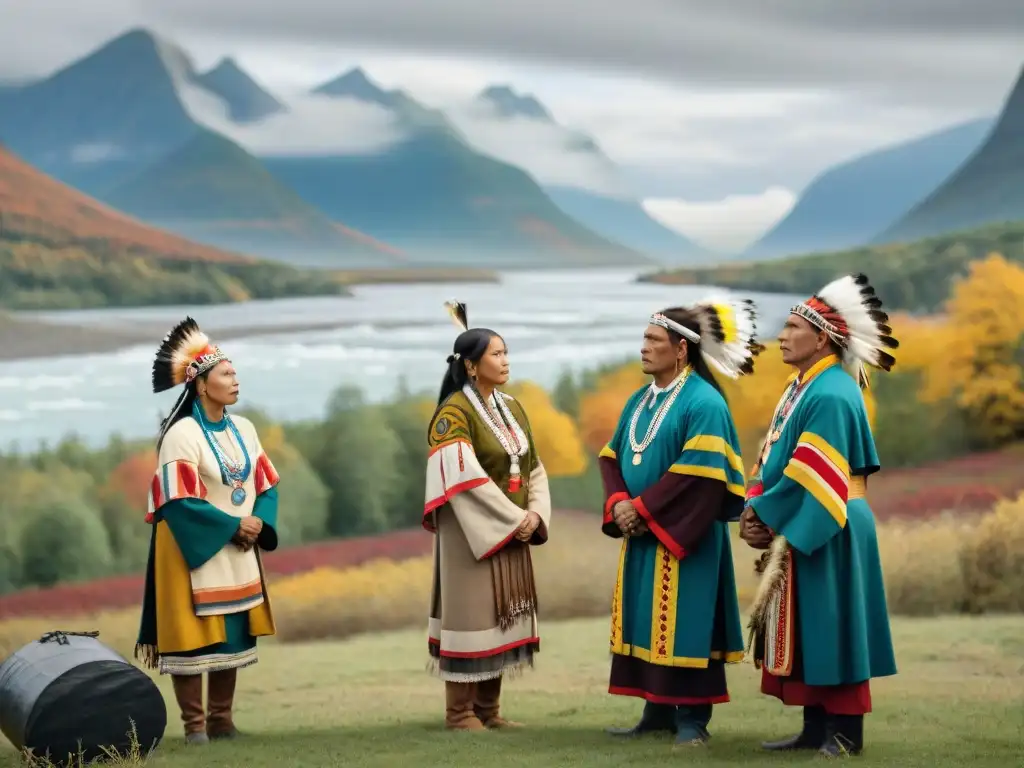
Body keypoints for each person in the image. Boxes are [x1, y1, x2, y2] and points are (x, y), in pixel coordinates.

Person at [740, 273, 899, 757]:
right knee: (813, 624)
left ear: (824, 337)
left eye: (792, 328)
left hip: (832, 519)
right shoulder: (802, 386)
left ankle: (846, 734)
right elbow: (775, 456)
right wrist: (754, 502)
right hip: (809, 515)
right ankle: (816, 729)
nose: (782, 336)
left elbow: (816, 472)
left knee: (835, 623)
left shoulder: (830, 392)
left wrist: (765, 514)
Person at [599, 298, 764, 747]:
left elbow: (700, 474)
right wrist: (618, 503)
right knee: (647, 623)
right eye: (644, 339)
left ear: (681, 349)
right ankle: (656, 713)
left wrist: (644, 509)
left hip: (685, 538)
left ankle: (693, 721)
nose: (644, 348)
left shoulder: (704, 402)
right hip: (642, 534)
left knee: (686, 626)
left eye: (654, 340)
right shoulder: (640, 400)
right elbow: (612, 456)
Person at [135, 317, 281, 745]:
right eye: (226, 373)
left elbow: (266, 483)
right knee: (196, 634)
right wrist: (234, 525)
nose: (236, 379)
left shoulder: (245, 429)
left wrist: (258, 523)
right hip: (190, 545)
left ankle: (222, 721)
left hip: (237, 547)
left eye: (235, 372)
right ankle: (195, 727)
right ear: (201, 384)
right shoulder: (181, 435)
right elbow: (177, 501)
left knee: (232, 630)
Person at [422, 300, 552, 731]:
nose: (505, 361)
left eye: (506, 353)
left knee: (502, 615)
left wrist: (535, 515)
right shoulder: (452, 414)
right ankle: (459, 713)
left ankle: (488, 711)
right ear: (472, 366)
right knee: (472, 616)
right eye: (497, 354)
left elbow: (533, 466)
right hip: (471, 536)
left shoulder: (512, 407)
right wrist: (515, 520)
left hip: (512, 527)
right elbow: (463, 479)